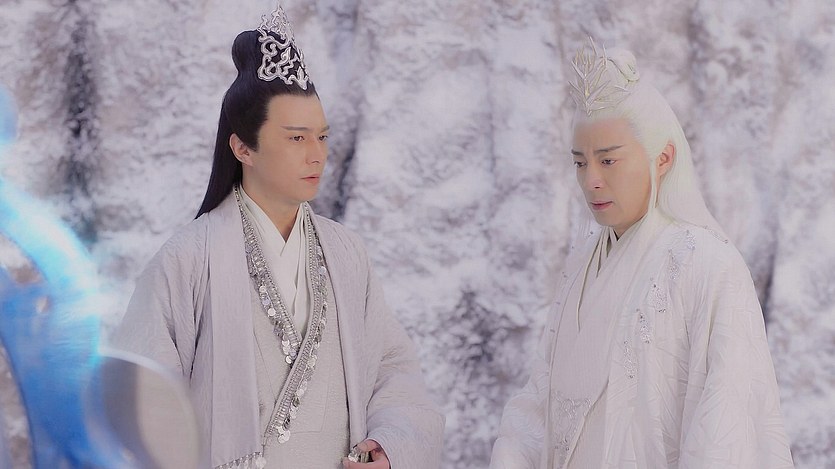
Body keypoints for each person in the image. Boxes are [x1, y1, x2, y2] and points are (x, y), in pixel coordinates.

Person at [111, 3, 444, 468]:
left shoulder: (346, 254)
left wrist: (389, 445)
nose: (316, 155)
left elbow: (393, 371)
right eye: (296, 138)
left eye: (322, 137)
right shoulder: (187, 260)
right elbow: (142, 402)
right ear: (242, 147)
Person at [489, 39, 794, 469]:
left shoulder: (709, 264)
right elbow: (541, 397)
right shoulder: (582, 262)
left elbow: (725, 426)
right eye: (580, 163)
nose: (591, 181)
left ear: (663, 158)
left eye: (608, 161)